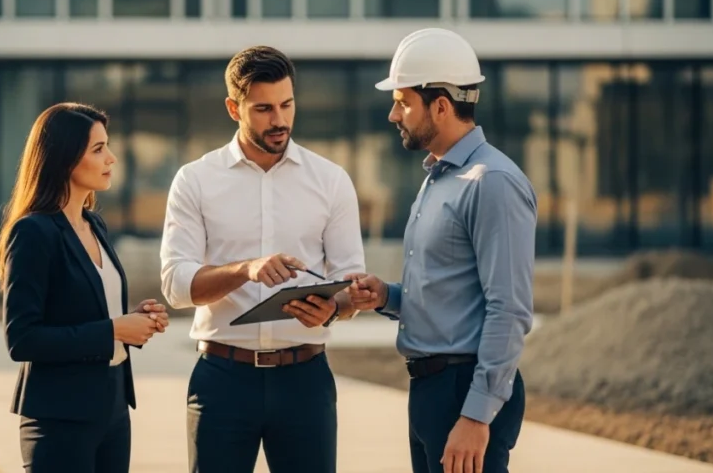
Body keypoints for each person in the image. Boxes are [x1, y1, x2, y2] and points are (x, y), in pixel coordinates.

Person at [159, 46, 366, 473]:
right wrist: (245, 269)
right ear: (234, 108)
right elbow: (177, 286)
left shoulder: (330, 181)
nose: (280, 120)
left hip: (305, 380)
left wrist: (333, 309)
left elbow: (351, 282)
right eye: (264, 108)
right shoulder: (195, 181)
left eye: (287, 105)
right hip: (222, 379)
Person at [347, 28, 537, 473]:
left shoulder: (491, 182)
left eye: (403, 102)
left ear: (441, 106)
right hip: (432, 390)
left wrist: (476, 414)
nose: (394, 114)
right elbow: (450, 290)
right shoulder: (440, 177)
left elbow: (508, 308)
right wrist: (388, 297)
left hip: (463, 390)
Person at [0, 102, 170, 473]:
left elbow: (88, 311)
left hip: (114, 408)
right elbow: (22, 338)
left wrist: (134, 323)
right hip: (60, 419)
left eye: (107, 146)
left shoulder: (95, 226)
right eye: (98, 149)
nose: (112, 158)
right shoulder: (33, 232)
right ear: (64, 159)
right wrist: (112, 330)